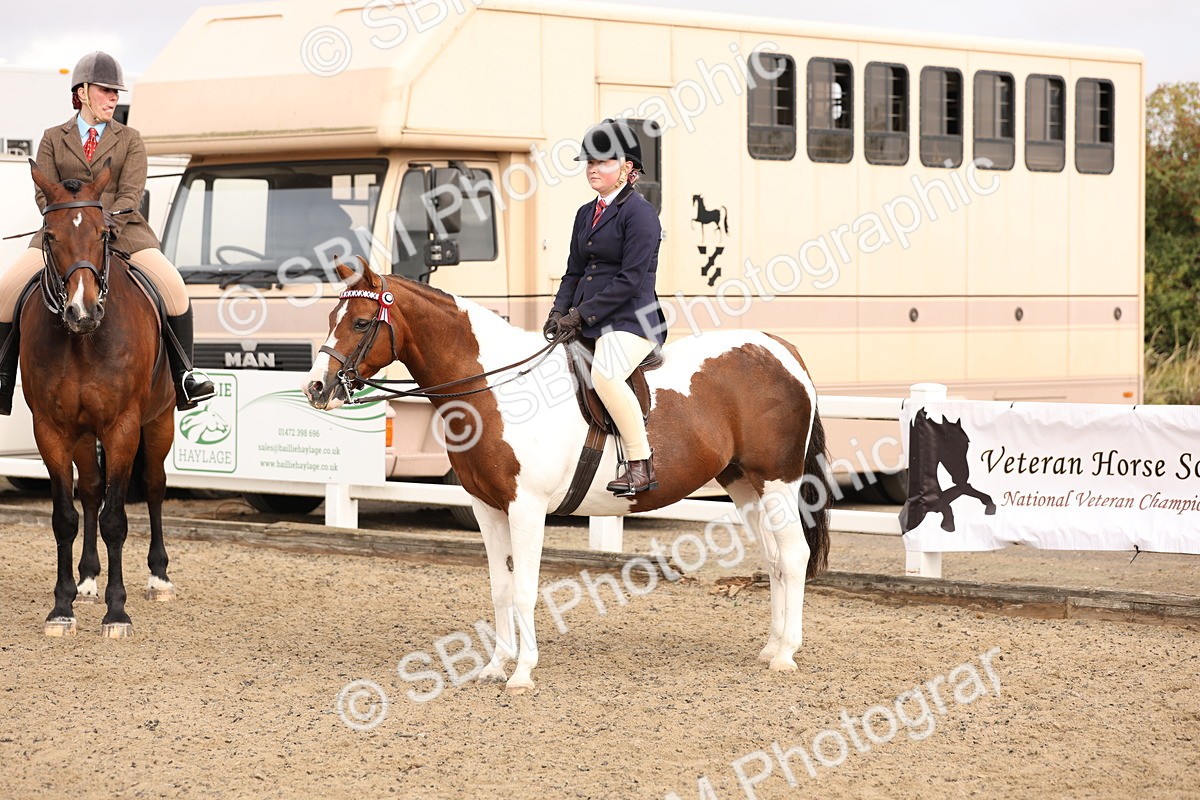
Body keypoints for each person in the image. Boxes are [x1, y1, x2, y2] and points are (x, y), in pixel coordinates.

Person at [0, 51, 214, 415]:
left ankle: (185, 376)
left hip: (124, 232)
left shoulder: (130, 139)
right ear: (82, 91)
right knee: (6, 290)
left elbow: (131, 194)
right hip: (62, 236)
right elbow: (44, 192)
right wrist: (70, 223)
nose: (114, 97)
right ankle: (2, 378)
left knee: (175, 288)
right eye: (106, 90)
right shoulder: (53, 137)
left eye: (117, 92)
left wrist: (101, 221)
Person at [545, 118, 666, 496]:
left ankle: (640, 463)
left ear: (627, 169)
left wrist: (580, 315)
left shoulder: (641, 214)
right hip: (589, 319)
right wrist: (557, 313)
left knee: (606, 376)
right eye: (589, 163)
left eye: (603, 162)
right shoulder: (585, 213)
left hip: (632, 321)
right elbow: (574, 271)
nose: (593, 169)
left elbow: (629, 280)